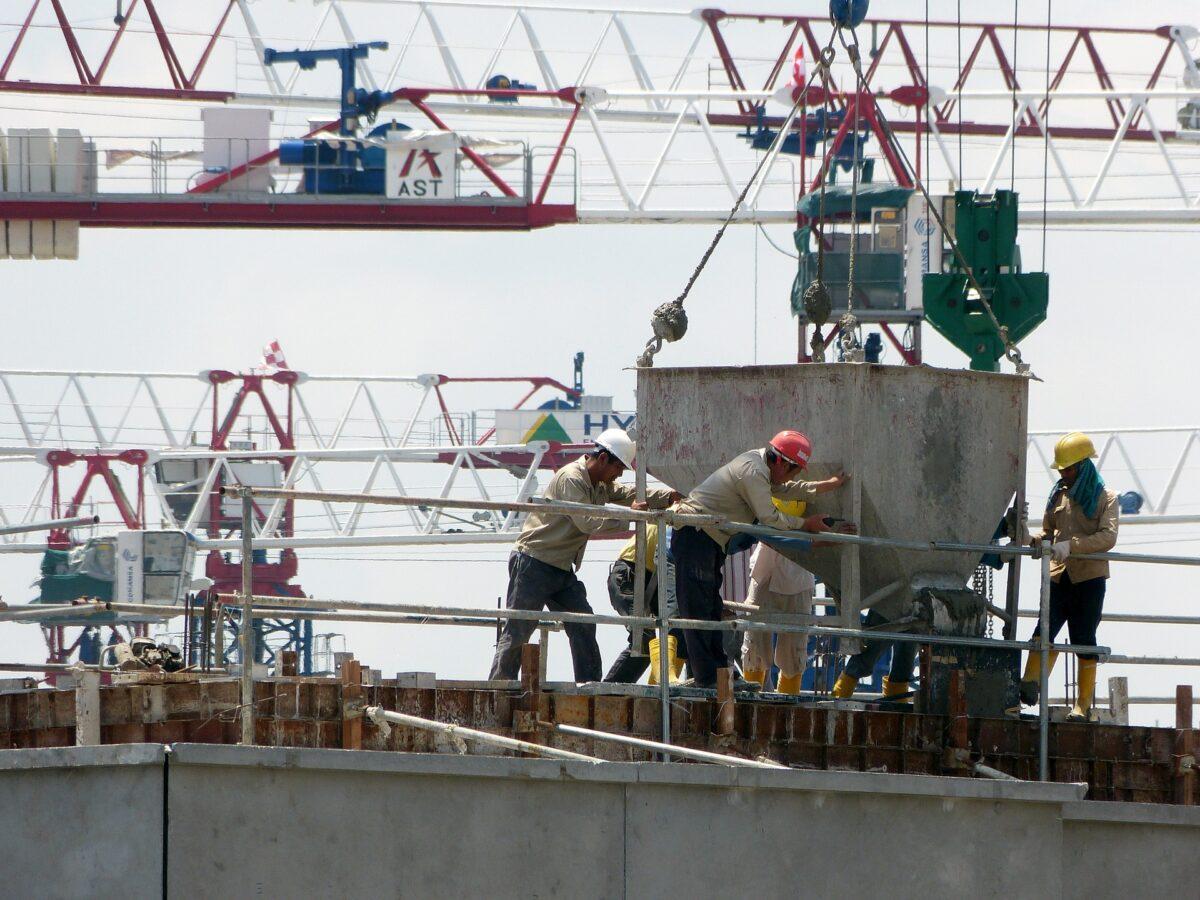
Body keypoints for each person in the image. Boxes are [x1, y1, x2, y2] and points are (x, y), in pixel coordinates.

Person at [488, 428, 679, 683]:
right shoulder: (572, 478)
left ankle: (589, 687)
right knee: (520, 627)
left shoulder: (599, 482)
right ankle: (499, 687)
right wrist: (631, 517)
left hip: (560, 567)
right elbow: (588, 523)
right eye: (618, 468)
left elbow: (629, 495)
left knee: (583, 623)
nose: (619, 474)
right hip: (534, 562)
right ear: (602, 460)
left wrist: (669, 497)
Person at [670, 430, 853, 690]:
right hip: (695, 535)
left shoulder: (762, 468)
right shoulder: (752, 472)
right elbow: (770, 519)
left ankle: (721, 675)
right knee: (698, 610)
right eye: (794, 470)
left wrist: (826, 485)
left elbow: (787, 489)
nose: (794, 477)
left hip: (709, 539)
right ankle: (708, 678)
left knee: (710, 607)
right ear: (780, 461)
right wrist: (806, 525)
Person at [1019, 431, 1119, 722]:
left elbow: (1107, 537)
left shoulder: (1106, 498)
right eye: (1061, 469)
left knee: (1083, 637)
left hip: (1089, 579)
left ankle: (1083, 705)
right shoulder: (1058, 496)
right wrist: (1032, 539)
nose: (1064, 474)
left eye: (1069, 469)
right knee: (1043, 631)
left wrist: (1070, 546)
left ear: (1084, 466)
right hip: (1059, 576)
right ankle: (1029, 685)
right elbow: (1049, 534)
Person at [741, 499, 832, 695]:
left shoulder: (806, 490)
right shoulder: (769, 480)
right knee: (755, 644)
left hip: (798, 573)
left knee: (794, 650)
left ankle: (787, 707)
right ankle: (750, 702)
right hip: (765, 570)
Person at [602, 522, 687, 685]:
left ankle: (658, 685)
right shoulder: (677, 514)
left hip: (654, 579)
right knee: (644, 636)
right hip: (629, 574)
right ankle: (613, 688)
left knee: (677, 630)